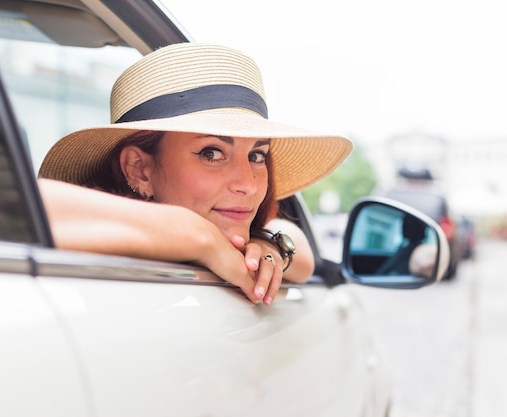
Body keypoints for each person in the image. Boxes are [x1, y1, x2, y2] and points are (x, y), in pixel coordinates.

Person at [37, 43, 352, 305]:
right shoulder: (94, 246)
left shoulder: (241, 240)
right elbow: (22, 204)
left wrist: (268, 244)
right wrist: (201, 239)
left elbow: (302, 252)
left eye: (257, 155)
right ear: (139, 169)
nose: (247, 184)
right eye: (211, 153)